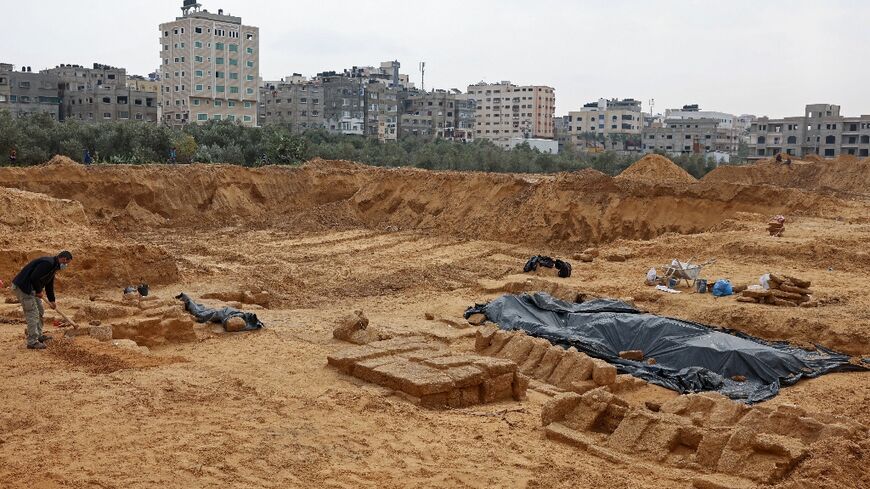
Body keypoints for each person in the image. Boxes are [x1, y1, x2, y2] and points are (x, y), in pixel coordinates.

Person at [11, 251, 74, 350]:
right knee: (33, 313)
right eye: (66, 263)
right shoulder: (47, 263)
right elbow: (34, 277)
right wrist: (39, 291)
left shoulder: (53, 267)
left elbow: (49, 285)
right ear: (64, 259)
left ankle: (39, 336)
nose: (65, 266)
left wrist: (52, 300)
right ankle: (32, 342)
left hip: (32, 289)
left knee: (40, 310)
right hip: (23, 288)